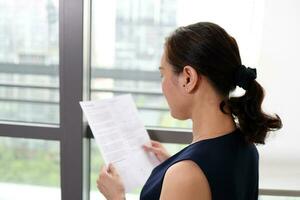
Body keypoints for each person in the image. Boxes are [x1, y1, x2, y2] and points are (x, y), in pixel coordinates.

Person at [96, 22, 282, 200]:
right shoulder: (246, 145)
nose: (162, 85)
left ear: (188, 78)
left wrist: (116, 197)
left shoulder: (186, 174)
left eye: (163, 74)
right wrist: (171, 164)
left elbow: (196, 179)